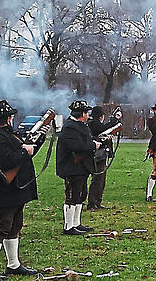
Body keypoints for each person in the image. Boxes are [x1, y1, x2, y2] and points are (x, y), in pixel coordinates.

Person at [0, 100, 40, 279]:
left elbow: (22, 156)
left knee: (14, 226)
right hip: (2, 189)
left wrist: (37, 140)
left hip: (13, 188)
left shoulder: (5, 134)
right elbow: (5, 161)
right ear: (7, 119)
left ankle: (13, 264)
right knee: (1, 227)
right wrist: (24, 151)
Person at [56, 100, 99, 236]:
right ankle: (68, 226)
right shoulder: (70, 127)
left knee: (80, 195)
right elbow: (78, 146)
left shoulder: (80, 126)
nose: (88, 115)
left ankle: (76, 223)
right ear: (81, 113)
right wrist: (94, 145)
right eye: (86, 112)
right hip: (71, 167)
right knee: (72, 197)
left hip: (81, 166)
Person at [87, 106, 121, 210]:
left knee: (101, 180)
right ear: (101, 116)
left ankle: (97, 202)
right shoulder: (93, 123)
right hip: (98, 154)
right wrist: (114, 120)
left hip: (102, 154)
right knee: (97, 179)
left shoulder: (94, 123)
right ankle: (92, 203)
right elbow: (103, 130)